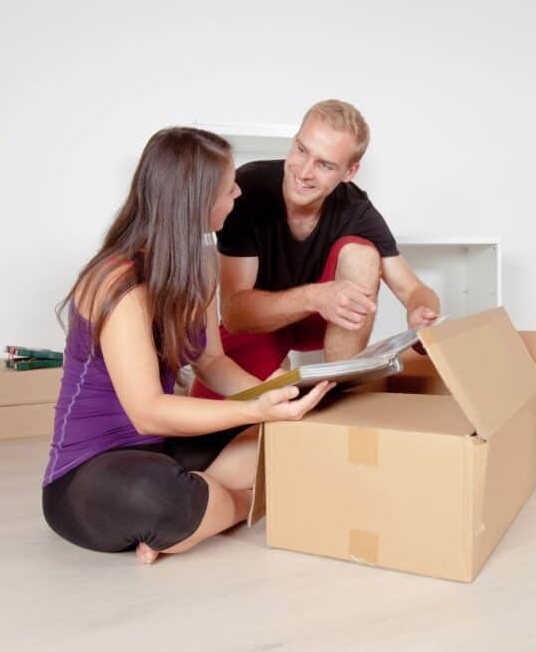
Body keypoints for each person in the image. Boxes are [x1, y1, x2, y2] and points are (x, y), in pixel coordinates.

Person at [42, 127, 333, 565]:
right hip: (90, 471)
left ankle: (197, 512)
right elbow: (148, 412)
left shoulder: (196, 270)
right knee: (155, 494)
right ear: (196, 200)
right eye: (228, 186)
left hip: (160, 448)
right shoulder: (115, 282)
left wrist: (272, 397)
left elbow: (211, 362)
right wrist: (254, 410)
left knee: (282, 438)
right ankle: (230, 506)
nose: (238, 191)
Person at [191, 100, 442, 398]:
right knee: (211, 426)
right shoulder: (248, 189)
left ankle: (338, 392)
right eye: (301, 150)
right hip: (259, 320)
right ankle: (282, 376)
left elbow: (414, 290)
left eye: (325, 165)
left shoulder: (356, 209)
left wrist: (422, 313)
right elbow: (234, 314)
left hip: (324, 321)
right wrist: (313, 297)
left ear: (349, 172)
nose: (304, 172)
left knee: (362, 253)